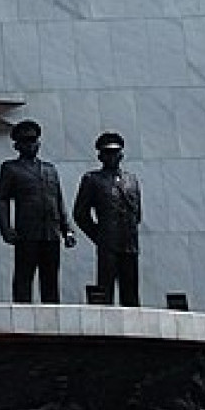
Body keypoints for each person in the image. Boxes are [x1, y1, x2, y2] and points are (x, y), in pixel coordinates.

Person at [0, 119, 74, 302]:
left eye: (34, 140)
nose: (31, 145)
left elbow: (59, 201)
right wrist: (6, 229)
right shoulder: (11, 168)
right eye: (26, 141)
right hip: (27, 234)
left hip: (51, 234)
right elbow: (1, 200)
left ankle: (52, 322)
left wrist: (67, 229)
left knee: (50, 282)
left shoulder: (50, 170)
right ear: (17, 145)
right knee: (23, 279)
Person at [73, 130, 143, 306]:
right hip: (107, 243)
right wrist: (99, 236)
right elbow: (80, 214)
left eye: (115, 152)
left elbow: (137, 212)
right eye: (107, 153)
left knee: (131, 292)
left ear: (121, 154)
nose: (112, 156)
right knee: (105, 290)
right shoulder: (92, 179)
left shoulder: (131, 180)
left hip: (129, 243)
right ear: (100, 156)